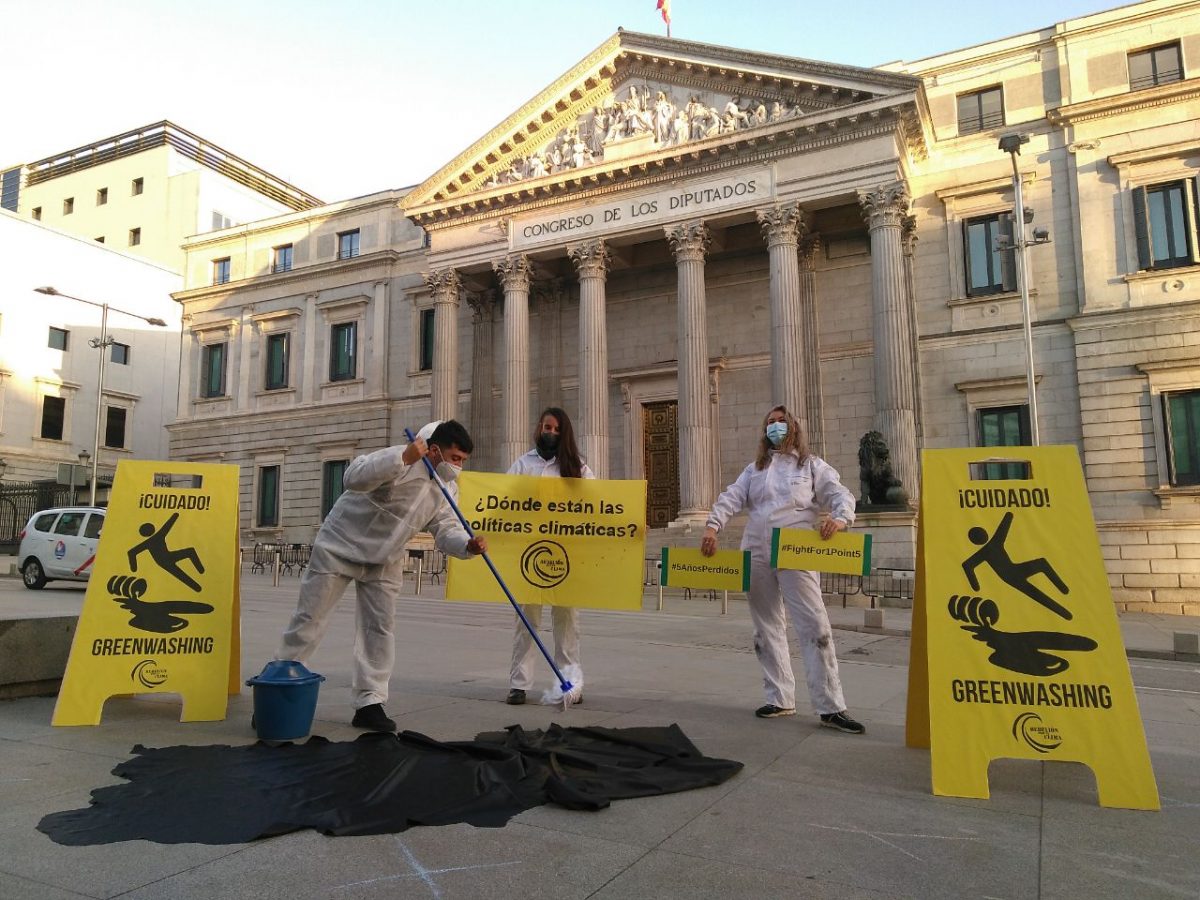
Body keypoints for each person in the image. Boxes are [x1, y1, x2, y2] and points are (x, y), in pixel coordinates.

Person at [275, 420, 488, 732]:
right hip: (339, 546)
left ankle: (370, 702)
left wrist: (466, 545)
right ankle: (278, 689)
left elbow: (445, 530)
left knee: (379, 630)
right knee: (309, 621)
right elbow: (353, 477)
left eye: (463, 461)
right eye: (455, 458)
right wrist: (402, 458)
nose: (458, 466)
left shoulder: (447, 489)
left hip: (385, 559)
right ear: (435, 450)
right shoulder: (400, 458)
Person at [700, 405, 865, 734]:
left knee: (814, 625)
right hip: (757, 549)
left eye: (780, 421)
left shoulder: (811, 466)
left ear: (793, 427)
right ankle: (779, 698)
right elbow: (731, 497)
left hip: (796, 549)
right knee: (765, 627)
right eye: (770, 423)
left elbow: (839, 493)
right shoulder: (755, 469)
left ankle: (831, 706)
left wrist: (840, 518)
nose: (775, 427)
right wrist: (712, 527)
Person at [505, 407, 594, 705]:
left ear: (564, 432)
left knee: (567, 622)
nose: (551, 433)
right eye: (547, 427)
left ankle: (570, 684)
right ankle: (519, 684)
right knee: (526, 620)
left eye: (556, 429)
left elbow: (600, 505)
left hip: (566, 556)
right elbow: (502, 498)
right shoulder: (522, 464)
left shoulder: (578, 468)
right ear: (539, 428)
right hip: (529, 553)